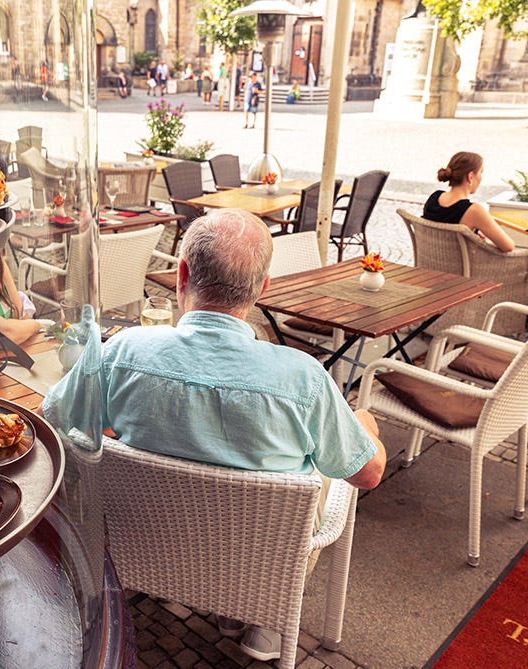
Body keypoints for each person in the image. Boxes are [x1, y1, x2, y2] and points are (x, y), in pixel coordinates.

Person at [43, 208, 386, 662]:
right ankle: (263, 620)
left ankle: (197, 595)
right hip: (259, 562)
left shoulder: (122, 351)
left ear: (182, 274)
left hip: (146, 549)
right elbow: (366, 475)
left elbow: (53, 419)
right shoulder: (303, 379)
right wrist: (366, 425)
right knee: (325, 462)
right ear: (262, 288)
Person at [423, 151, 516, 252]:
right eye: (481, 172)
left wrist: (477, 239)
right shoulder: (474, 211)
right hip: (462, 267)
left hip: (430, 263)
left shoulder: (434, 198)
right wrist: (486, 243)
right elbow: (508, 246)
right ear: (470, 176)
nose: (481, 178)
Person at [0, 246, 46, 350]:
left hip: (16, 353)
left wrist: (23, 328)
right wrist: (38, 325)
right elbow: (1, 337)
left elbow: (19, 314)